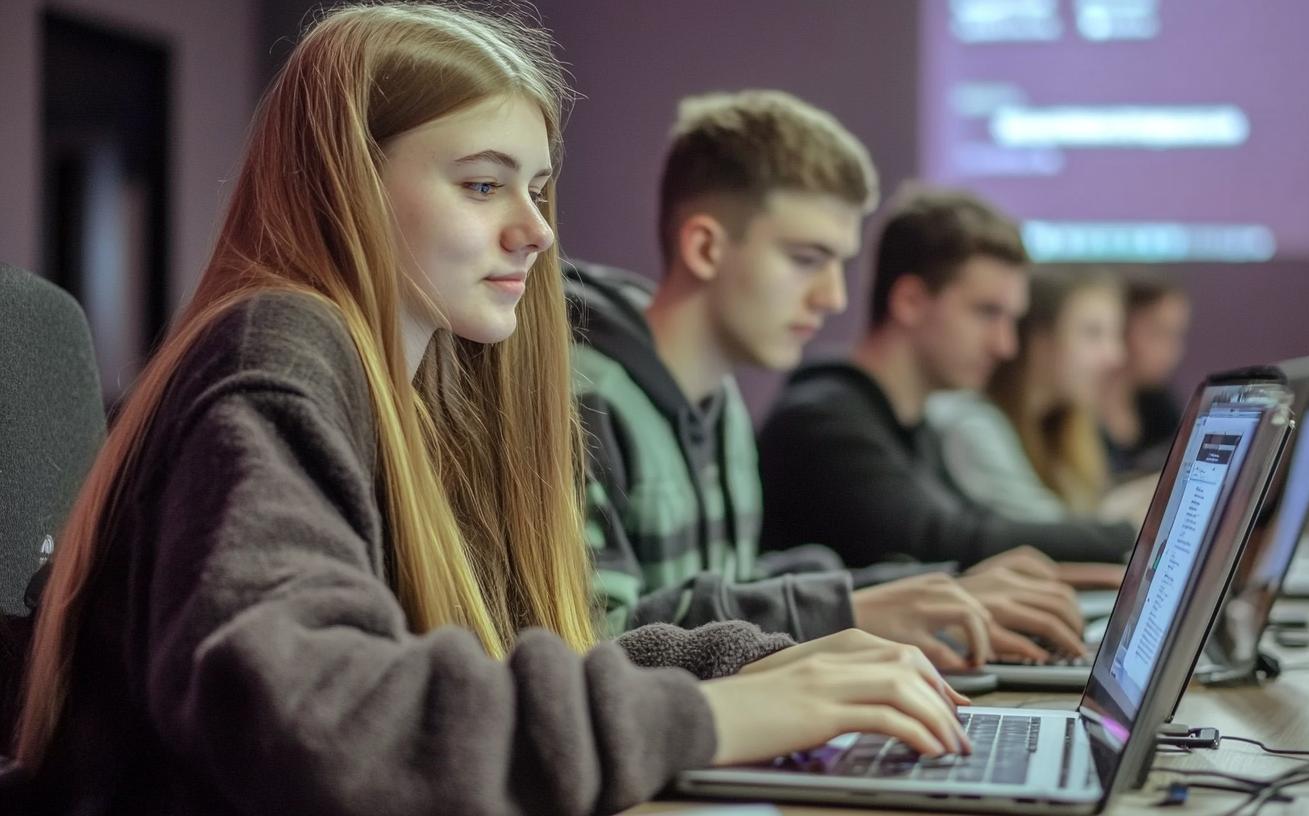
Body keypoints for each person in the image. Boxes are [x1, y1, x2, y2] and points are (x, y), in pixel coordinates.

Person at [6, 7, 975, 813]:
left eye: (539, 188)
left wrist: (759, 666)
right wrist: (720, 719)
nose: (538, 230)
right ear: (346, 178)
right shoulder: (278, 353)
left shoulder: (426, 387)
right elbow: (314, 717)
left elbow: (501, 656)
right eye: (481, 185)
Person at [570, 91, 1088, 671]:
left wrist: (938, 587)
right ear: (706, 247)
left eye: (839, 264)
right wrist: (842, 612)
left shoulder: (720, 400)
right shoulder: (585, 394)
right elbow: (598, 642)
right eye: (806, 258)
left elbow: (728, 593)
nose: (833, 297)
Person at [758, 188, 1134, 579]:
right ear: (910, 301)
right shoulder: (823, 420)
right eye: (987, 313)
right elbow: (942, 541)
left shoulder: (911, 424)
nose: (1005, 346)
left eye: (1011, 320)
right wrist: (1134, 534)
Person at [928, 266, 1126, 523]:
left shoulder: (1062, 431)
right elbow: (1058, 533)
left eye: (1114, 336)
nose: (1115, 356)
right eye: (1093, 334)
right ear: (1037, 341)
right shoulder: (971, 424)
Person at [1099, 270, 1191, 476]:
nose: (1173, 351)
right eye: (1158, 332)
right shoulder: (1075, 415)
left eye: (1177, 335)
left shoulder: (1160, 405)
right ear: (1120, 326)